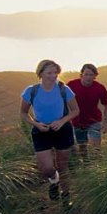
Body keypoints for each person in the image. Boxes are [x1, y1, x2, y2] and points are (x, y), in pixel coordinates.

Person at [20, 59, 79, 202]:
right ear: (40, 73)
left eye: (55, 73)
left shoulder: (64, 89)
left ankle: (66, 196)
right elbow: (23, 113)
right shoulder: (31, 91)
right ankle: (54, 180)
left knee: (63, 165)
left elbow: (75, 110)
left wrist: (61, 121)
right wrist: (36, 124)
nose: (53, 76)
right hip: (41, 130)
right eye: (49, 73)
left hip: (62, 129)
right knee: (46, 168)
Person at [67, 63, 107, 161]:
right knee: (82, 148)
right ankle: (87, 167)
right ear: (82, 74)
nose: (88, 77)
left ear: (95, 76)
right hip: (77, 121)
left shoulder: (99, 88)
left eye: (91, 75)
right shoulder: (71, 85)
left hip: (94, 120)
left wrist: (106, 122)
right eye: (86, 74)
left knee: (95, 148)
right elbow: (62, 100)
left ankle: (98, 167)